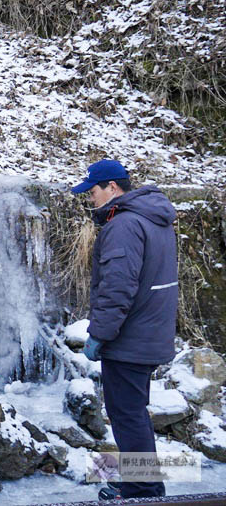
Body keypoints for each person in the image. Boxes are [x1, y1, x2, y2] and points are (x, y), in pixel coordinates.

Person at [72, 159, 179, 500]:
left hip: (129, 338)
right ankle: (144, 481)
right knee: (133, 411)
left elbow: (118, 288)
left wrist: (100, 334)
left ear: (112, 188)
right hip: (148, 332)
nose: (91, 198)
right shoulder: (153, 219)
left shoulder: (123, 225)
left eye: (93, 191)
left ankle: (142, 490)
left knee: (126, 414)